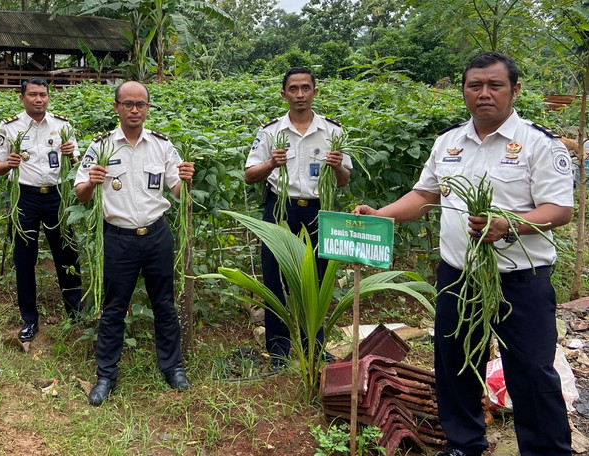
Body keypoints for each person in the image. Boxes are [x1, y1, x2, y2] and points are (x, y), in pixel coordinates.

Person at [353, 52, 573, 456]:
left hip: (520, 280)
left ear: (515, 90)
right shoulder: (449, 142)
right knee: (454, 364)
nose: (484, 94)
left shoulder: (540, 145)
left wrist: (510, 225)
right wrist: (380, 215)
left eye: (495, 85)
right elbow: (425, 195)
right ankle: (465, 444)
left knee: (531, 374)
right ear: (464, 91)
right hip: (458, 276)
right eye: (475, 85)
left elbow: (559, 209)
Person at [75, 81, 194, 406]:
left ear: (148, 107)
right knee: (114, 309)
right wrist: (90, 183)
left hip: (156, 235)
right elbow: (81, 193)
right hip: (117, 238)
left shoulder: (162, 146)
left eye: (140, 104)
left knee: (165, 305)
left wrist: (186, 180)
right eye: (127, 104)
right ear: (116, 107)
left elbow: (179, 193)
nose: (134, 110)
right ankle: (105, 376)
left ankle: (173, 368)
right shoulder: (100, 146)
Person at [244, 67, 352, 366]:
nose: (300, 94)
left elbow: (344, 180)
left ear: (315, 92)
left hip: (320, 209)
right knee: (275, 277)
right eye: (293, 89)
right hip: (281, 208)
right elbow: (249, 175)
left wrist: (338, 167)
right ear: (284, 94)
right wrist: (270, 163)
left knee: (317, 278)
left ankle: (313, 346)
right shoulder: (270, 131)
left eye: (306, 88)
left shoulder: (333, 131)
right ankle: (278, 349)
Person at [0, 77, 83, 342]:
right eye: (32, 95)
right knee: (25, 258)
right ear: (22, 98)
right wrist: (9, 163)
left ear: (48, 97)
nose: (38, 99)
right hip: (25, 197)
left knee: (66, 254)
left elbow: (77, 164)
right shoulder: (9, 127)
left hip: (57, 196)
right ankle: (29, 319)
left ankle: (75, 313)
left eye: (43, 94)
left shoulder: (62, 125)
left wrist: (71, 155)